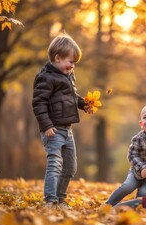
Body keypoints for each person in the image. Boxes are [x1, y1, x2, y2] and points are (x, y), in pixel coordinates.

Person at [32, 33, 93, 210]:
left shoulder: (67, 75)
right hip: (53, 129)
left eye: (74, 63)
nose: (72, 66)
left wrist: (84, 105)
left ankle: (60, 198)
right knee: (55, 163)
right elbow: (38, 102)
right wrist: (46, 125)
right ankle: (50, 200)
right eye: (70, 62)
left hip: (67, 129)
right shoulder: (46, 77)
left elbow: (72, 97)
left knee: (71, 167)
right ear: (57, 58)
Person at [105, 103, 146, 206]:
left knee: (145, 192)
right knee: (127, 186)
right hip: (136, 172)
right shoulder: (139, 138)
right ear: (141, 124)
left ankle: (135, 206)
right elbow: (132, 154)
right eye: (145, 117)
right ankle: (108, 204)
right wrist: (142, 168)